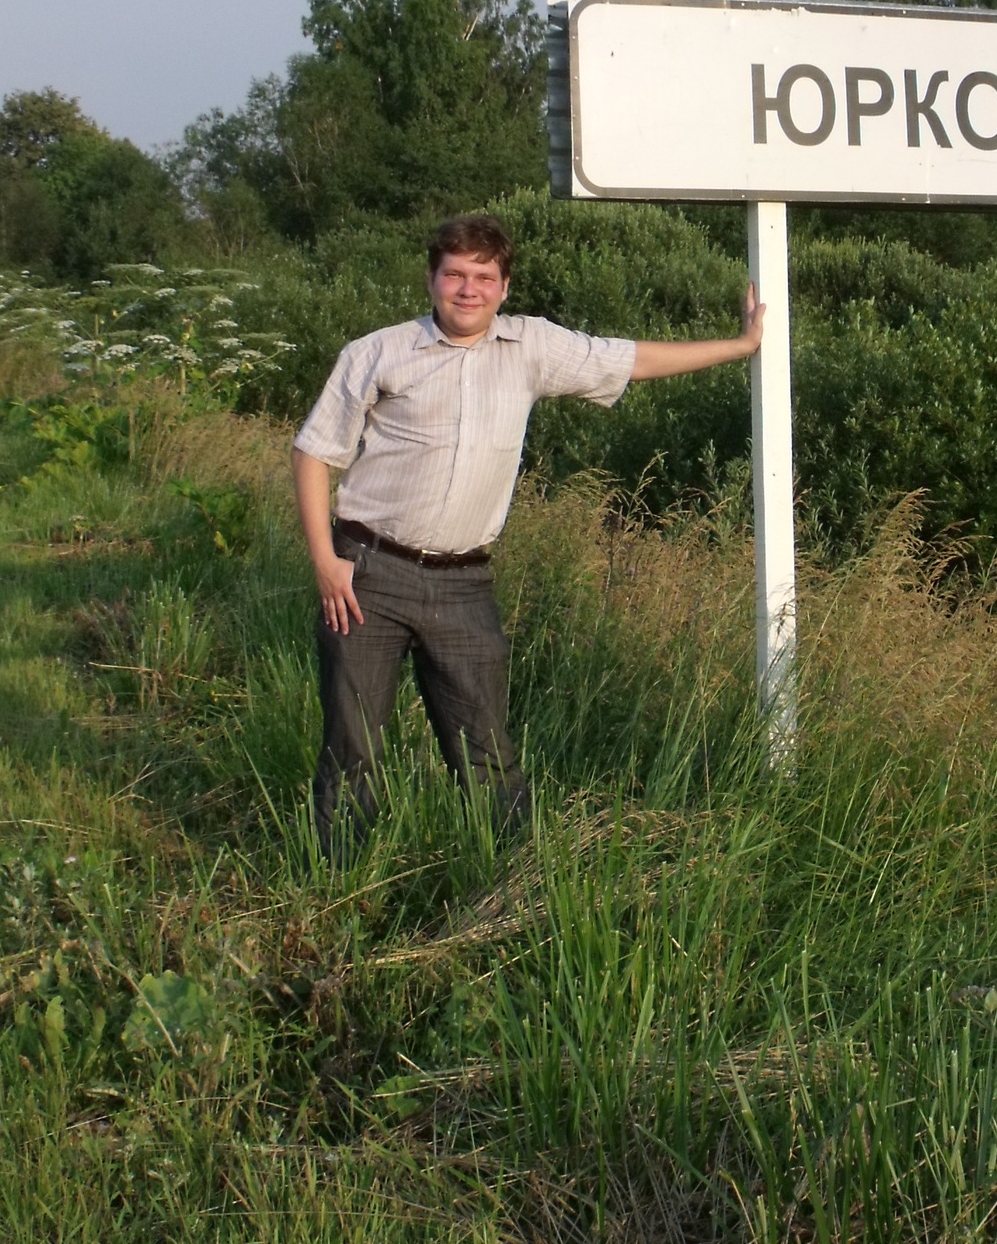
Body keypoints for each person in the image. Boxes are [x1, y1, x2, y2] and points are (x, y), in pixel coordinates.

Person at [292, 212, 762, 857]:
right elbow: (314, 452)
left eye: (484, 277)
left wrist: (740, 346)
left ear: (504, 287)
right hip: (368, 574)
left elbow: (629, 358)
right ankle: (340, 884)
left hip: (464, 583)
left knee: (486, 752)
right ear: (431, 279)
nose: (468, 289)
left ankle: (506, 881)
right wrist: (325, 561)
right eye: (455, 274)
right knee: (353, 748)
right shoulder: (377, 352)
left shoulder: (531, 347)